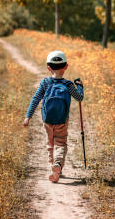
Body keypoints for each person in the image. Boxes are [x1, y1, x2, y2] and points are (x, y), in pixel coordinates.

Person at [23, 50, 84, 183]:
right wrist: (80, 87)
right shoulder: (68, 85)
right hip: (62, 120)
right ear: (66, 66)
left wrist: (28, 116)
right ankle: (58, 164)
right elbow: (79, 98)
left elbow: (35, 99)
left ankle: (53, 167)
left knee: (50, 144)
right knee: (60, 143)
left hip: (47, 120)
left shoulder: (45, 83)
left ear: (48, 67)